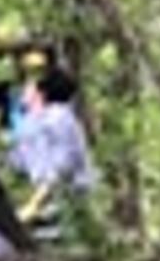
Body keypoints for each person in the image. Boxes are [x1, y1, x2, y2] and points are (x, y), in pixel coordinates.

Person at [9, 62, 101, 219]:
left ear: (40, 93)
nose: (23, 92)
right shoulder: (34, 120)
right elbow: (25, 158)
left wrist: (41, 195)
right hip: (47, 194)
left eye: (29, 87)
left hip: (66, 195)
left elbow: (65, 161)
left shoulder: (58, 117)